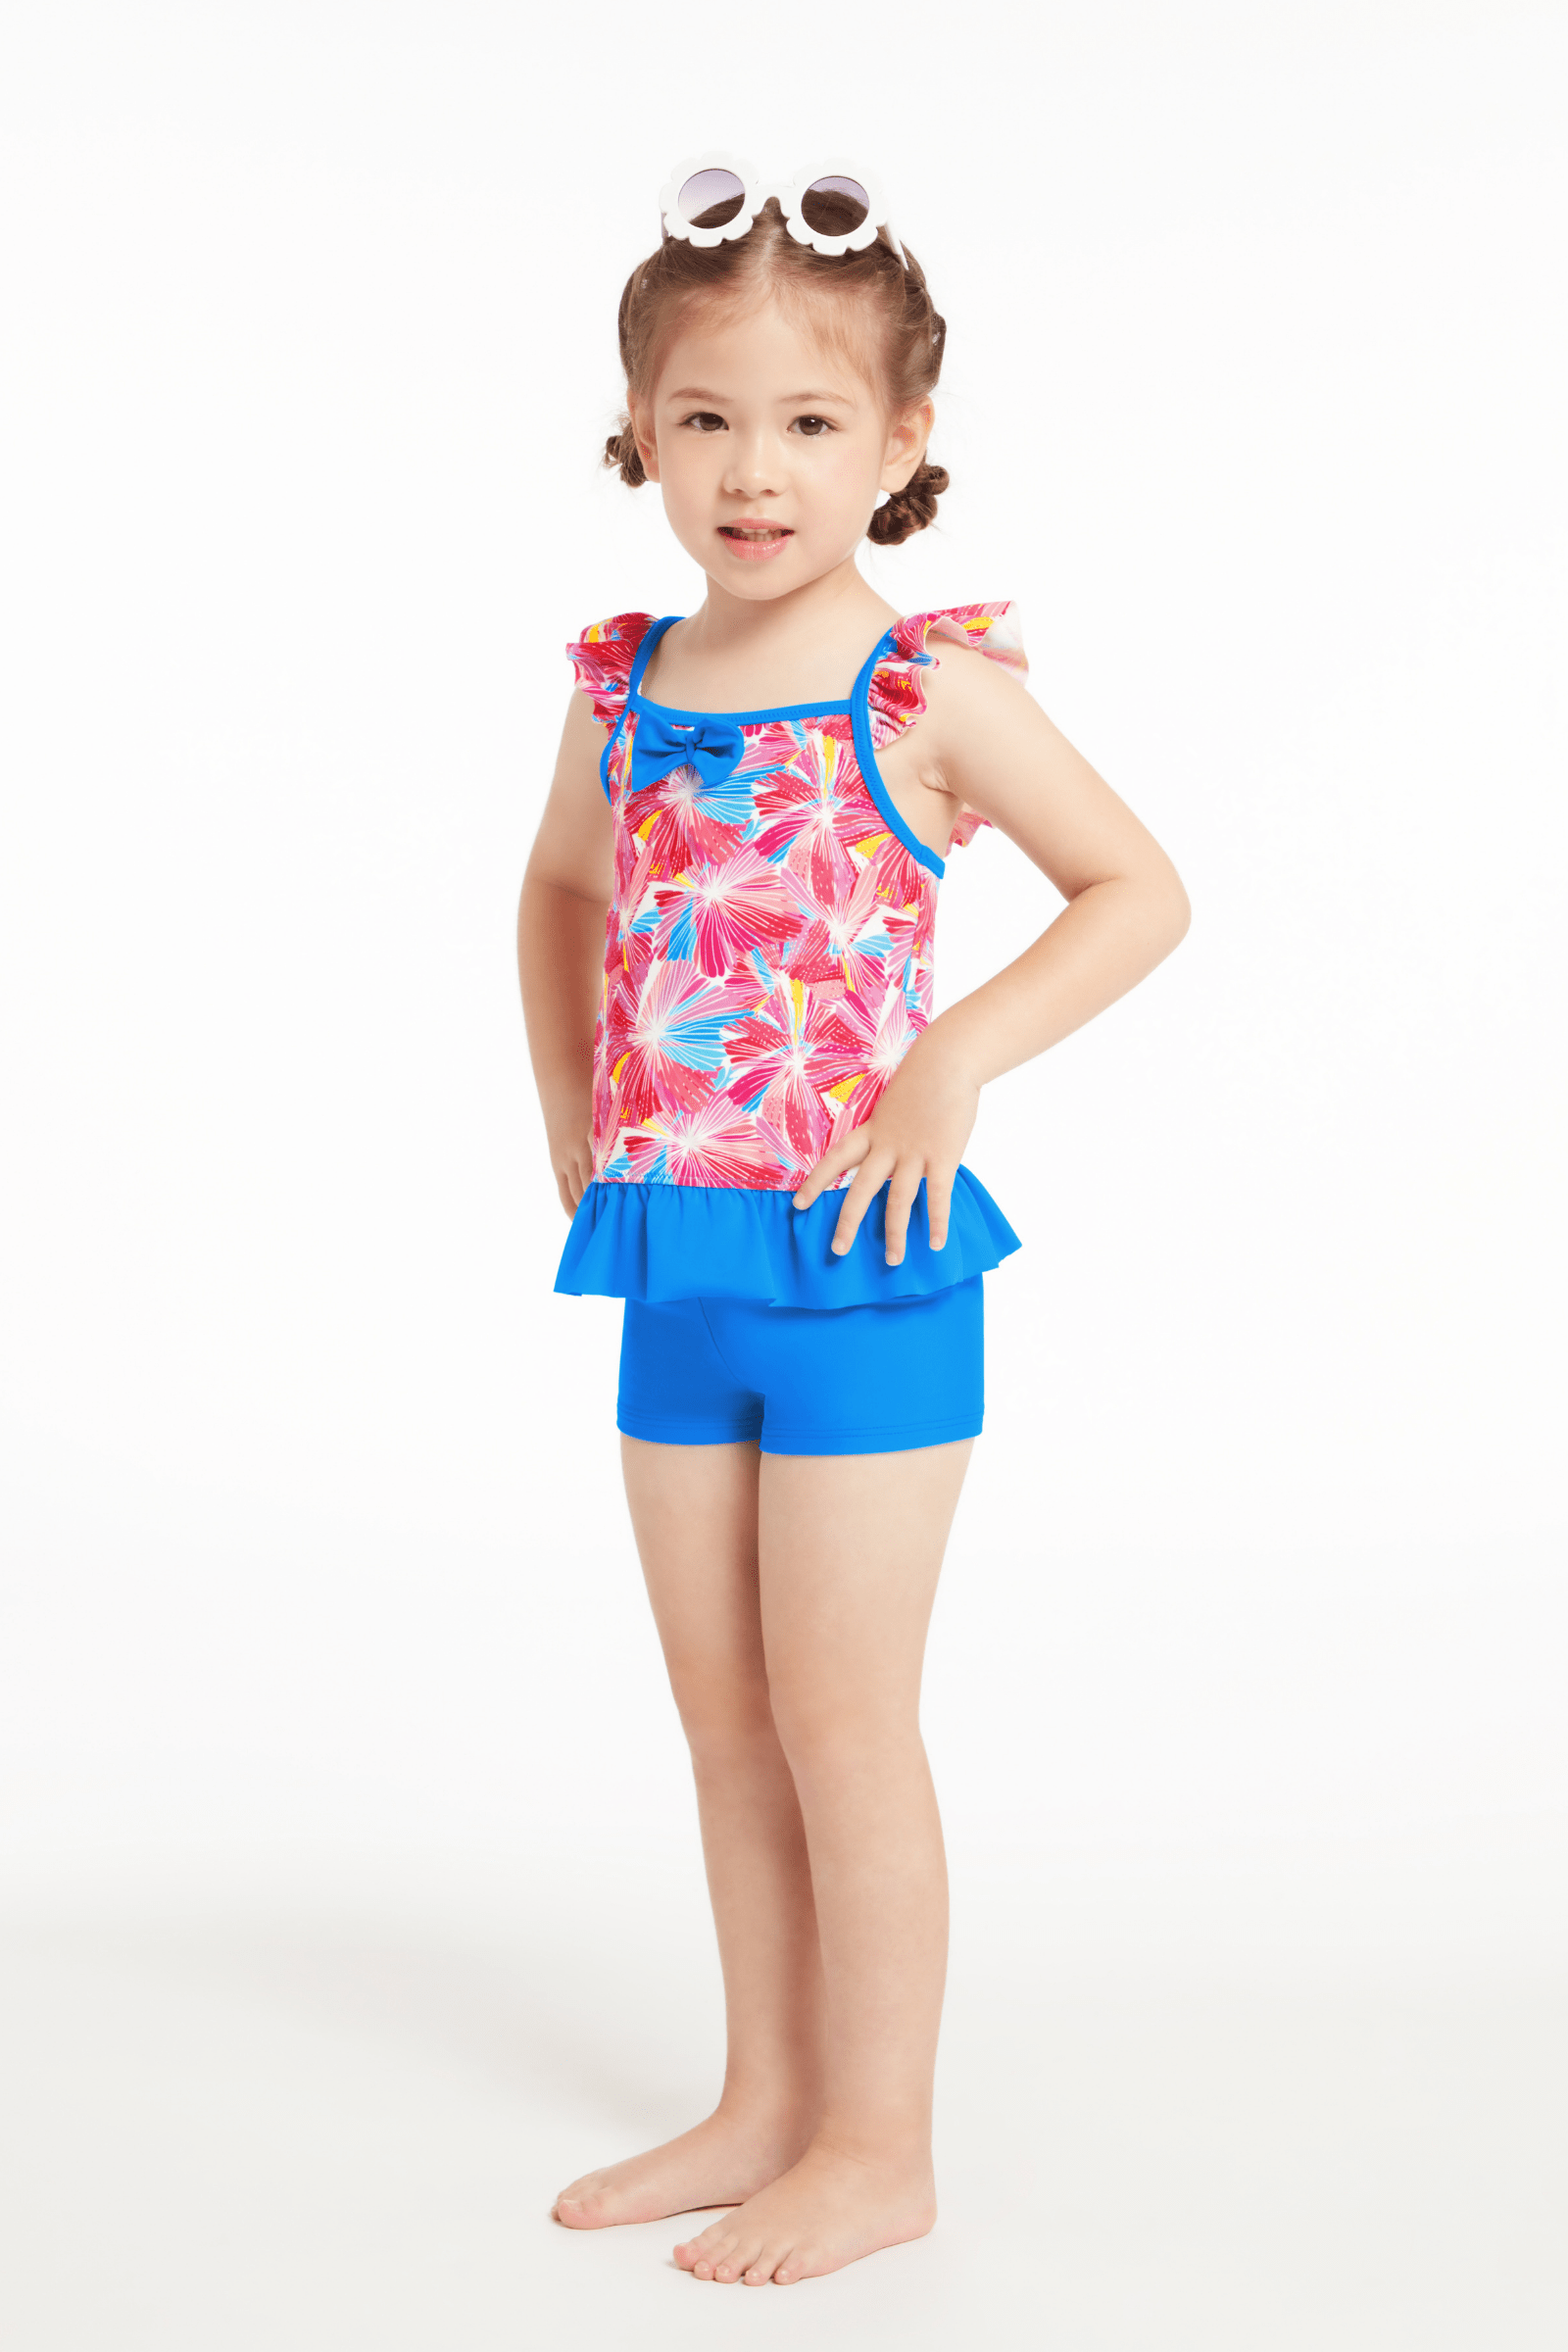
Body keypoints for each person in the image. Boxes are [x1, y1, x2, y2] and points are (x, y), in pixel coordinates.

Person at [517, 157, 1191, 2288]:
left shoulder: (924, 690)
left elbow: (1138, 892)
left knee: (839, 1722)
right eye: (705, 417)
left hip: (869, 1277)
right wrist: (568, 1103)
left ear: (901, 441)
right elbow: (560, 889)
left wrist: (952, 1062)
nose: (752, 468)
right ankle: (763, 2099)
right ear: (640, 430)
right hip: (672, 1262)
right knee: (724, 1726)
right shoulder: (624, 682)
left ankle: (877, 2146)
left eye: (809, 421)